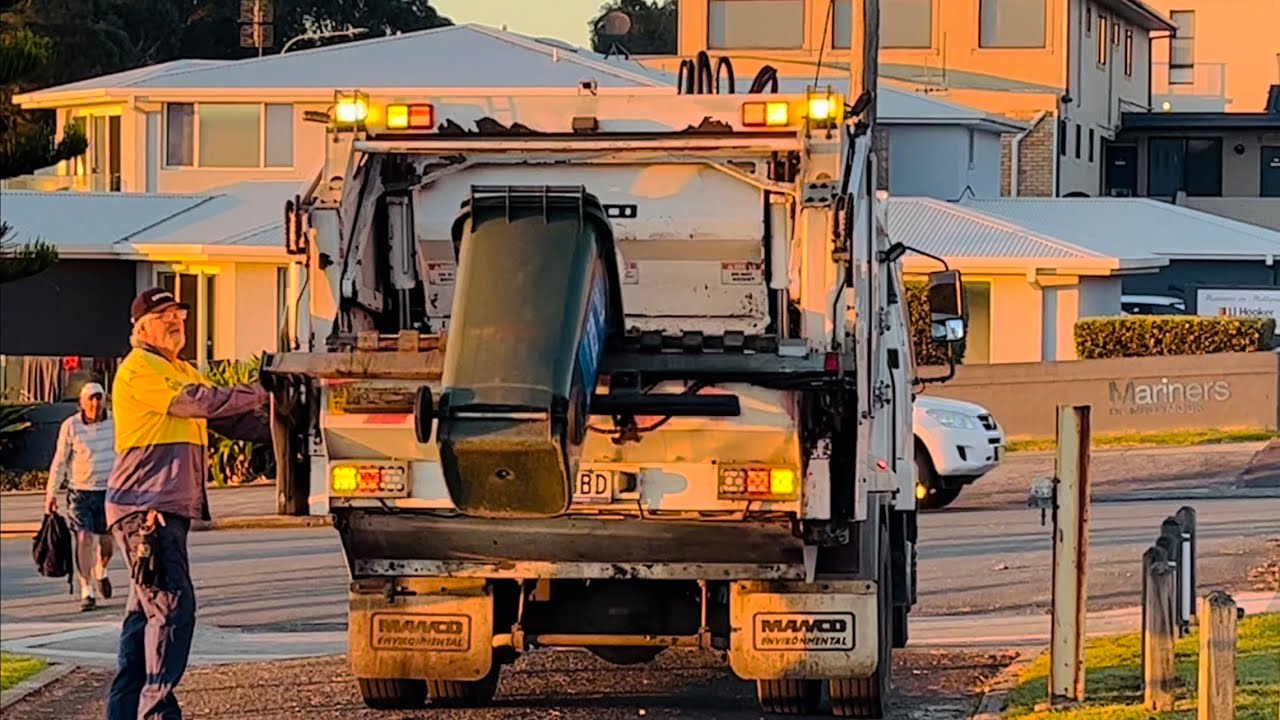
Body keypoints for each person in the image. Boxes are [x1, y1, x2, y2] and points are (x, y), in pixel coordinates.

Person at [106, 287, 272, 720]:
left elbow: (223, 418)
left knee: (146, 618)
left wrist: (282, 417)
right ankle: (157, 712)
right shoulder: (141, 368)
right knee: (172, 608)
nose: (177, 321)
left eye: (179, 314)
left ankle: (125, 712)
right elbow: (198, 403)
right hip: (148, 509)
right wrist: (260, 389)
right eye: (165, 316)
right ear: (140, 327)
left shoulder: (177, 368)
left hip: (156, 509)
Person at [44, 381, 117, 611]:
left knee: (107, 542)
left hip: (108, 491)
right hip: (80, 492)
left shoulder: (116, 421)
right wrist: (51, 493)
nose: (95, 403)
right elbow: (60, 460)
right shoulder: (71, 426)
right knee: (84, 538)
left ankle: (101, 570)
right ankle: (87, 589)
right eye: (91, 399)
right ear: (81, 403)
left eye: (99, 398)